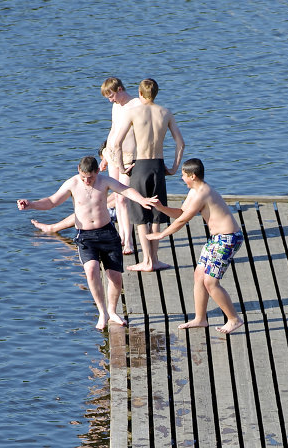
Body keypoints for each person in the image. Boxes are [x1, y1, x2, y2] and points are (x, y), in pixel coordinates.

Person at [16, 155, 155, 330]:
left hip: (107, 233)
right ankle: (102, 312)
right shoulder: (72, 184)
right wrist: (31, 204)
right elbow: (52, 202)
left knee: (115, 277)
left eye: (90, 177)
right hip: (85, 236)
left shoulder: (104, 181)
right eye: (83, 177)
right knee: (91, 270)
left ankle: (112, 311)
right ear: (78, 171)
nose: (87, 181)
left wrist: (142, 200)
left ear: (97, 171)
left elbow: (125, 190)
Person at [146, 158, 245, 334]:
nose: (182, 178)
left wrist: (161, 234)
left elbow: (184, 220)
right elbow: (180, 213)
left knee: (210, 282)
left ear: (192, 176)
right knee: (199, 275)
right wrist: (161, 207)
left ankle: (234, 319)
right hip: (217, 239)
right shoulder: (194, 191)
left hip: (228, 239)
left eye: (184, 176)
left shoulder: (202, 193)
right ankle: (200, 319)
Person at [108, 78, 185, 272]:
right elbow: (180, 143)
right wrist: (174, 167)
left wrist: (121, 166)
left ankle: (147, 260)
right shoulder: (166, 113)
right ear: (155, 93)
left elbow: (116, 143)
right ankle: (155, 260)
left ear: (140, 94)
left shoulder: (132, 112)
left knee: (141, 217)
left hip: (140, 166)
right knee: (157, 215)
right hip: (158, 166)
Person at [99, 77, 142, 254]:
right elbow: (113, 128)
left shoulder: (137, 104)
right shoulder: (115, 106)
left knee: (124, 197)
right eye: (108, 97)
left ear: (120, 89)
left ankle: (129, 241)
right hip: (113, 153)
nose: (111, 100)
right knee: (117, 198)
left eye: (112, 96)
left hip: (129, 156)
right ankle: (123, 237)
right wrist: (106, 157)